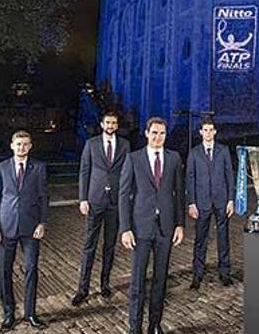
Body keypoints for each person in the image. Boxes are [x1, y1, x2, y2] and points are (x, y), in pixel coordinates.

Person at [119, 117, 185, 334]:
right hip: (140, 228)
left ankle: (154, 325)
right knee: (138, 282)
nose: (158, 137)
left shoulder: (174, 158)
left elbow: (178, 195)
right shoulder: (134, 159)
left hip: (165, 228)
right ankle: (134, 328)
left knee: (160, 280)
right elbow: (124, 195)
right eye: (154, 133)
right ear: (147, 134)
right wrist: (125, 228)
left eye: (162, 133)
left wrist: (180, 225)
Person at [0, 130, 49, 331]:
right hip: (6, 228)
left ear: (30, 146)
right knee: (5, 271)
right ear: (12, 145)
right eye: (18, 144)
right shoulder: (1, 168)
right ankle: (8, 313)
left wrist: (42, 223)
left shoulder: (39, 168)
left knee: (31, 269)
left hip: (31, 229)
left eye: (25, 144)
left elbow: (43, 198)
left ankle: (31, 313)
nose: (22, 147)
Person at [72, 112, 131, 306]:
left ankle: (105, 284)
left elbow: (125, 172)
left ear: (117, 125)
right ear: (102, 123)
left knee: (110, 246)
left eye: (114, 122)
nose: (111, 125)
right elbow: (84, 171)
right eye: (108, 122)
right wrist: (83, 199)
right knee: (89, 246)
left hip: (114, 202)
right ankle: (83, 288)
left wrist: (127, 194)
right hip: (94, 200)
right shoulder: (91, 144)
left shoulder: (124, 144)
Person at [185, 117, 235, 289]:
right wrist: (191, 203)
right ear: (200, 132)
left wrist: (230, 200)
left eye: (210, 130)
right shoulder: (194, 153)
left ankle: (225, 273)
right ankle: (197, 274)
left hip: (221, 201)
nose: (208, 133)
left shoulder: (224, 150)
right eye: (205, 130)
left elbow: (229, 175)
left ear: (215, 132)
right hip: (202, 202)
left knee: (223, 238)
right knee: (200, 239)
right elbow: (190, 178)